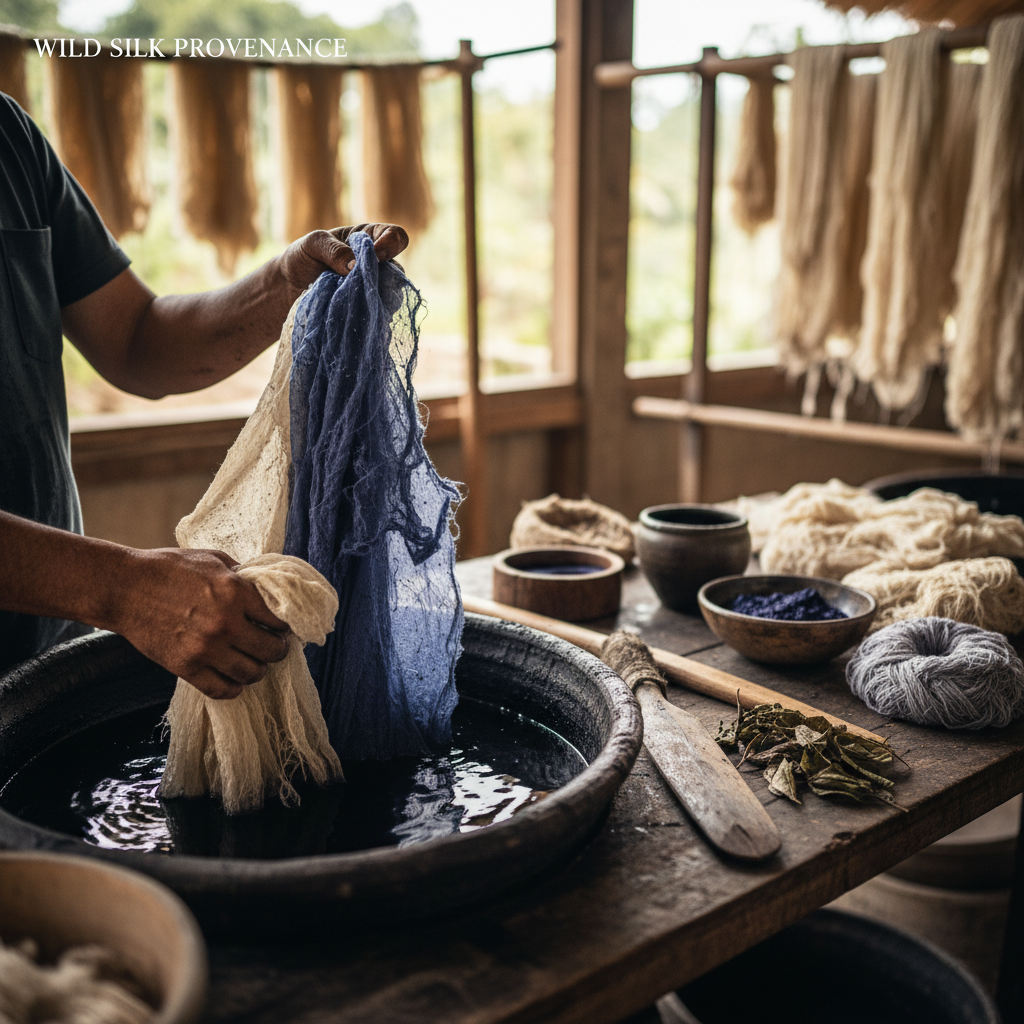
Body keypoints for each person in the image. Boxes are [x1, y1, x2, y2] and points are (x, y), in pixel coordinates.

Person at [0, 90, 408, 698]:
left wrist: (286, 283)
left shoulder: (10, 140)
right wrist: (120, 587)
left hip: (47, 651)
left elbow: (136, 339)